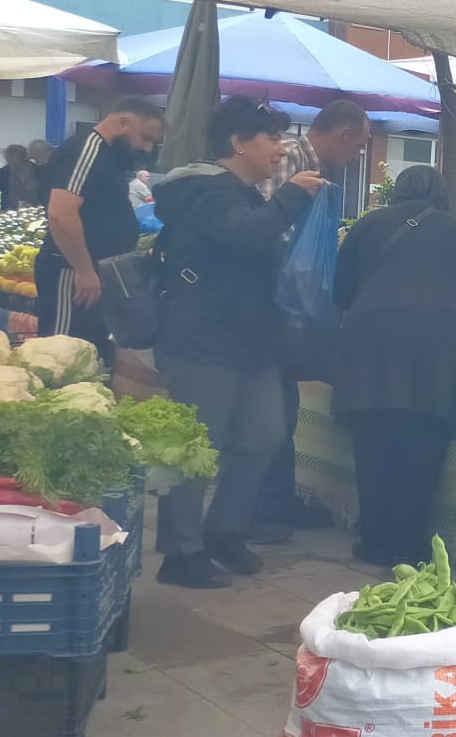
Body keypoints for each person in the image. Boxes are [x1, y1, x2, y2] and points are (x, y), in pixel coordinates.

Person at [151, 96, 321, 588]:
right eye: (271, 137)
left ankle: (225, 529)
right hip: (203, 338)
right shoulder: (207, 190)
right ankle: (181, 553)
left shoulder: (245, 192)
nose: (281, 147)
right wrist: (291, 198)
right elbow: (245, 236)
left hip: (252, 342)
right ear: (237, 142)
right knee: (194, 449)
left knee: (265, 434)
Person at [331, 166, 456, 566]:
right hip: (437, 355)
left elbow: (339, 290)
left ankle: (374, 540)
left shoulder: (368, 226)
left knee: (373, 445)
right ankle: (408, 544)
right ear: (442, 195)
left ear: (396, 191)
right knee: (423, 447)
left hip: (370, 350)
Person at [253, 100, 372, 539]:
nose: (358, 156)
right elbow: (276, 237)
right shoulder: (292, 162)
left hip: (280, 310)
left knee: (284, 405)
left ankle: (276, 502)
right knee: (274, 411)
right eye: (358, 146)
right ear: (340, 136)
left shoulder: (312, 171)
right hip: (271, 309)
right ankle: (265, 508)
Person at [38, 97, 164, 363]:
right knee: (60, 356)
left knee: (88, 356)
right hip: (69, 272)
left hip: (92, 273)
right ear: (122, 123)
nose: (146, 147)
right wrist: (84, 270)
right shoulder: (87, 150)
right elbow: (61, 212)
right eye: (144, 137)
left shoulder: (107, 156)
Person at [0, 144, 44, 211]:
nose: (12, 166)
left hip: (37, 214)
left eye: (16, 164)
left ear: (26, 159)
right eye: (9, 162)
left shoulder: (40, 172)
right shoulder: (3, 173)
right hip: (9, 215)